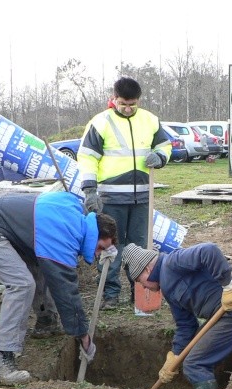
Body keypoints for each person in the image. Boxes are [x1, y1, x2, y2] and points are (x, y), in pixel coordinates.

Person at [0, 191, 118, 385]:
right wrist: (83, 334)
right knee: (21, 284)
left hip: (9, 226)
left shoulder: (76, 217)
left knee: (44, 266)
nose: (98, 254)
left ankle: (46, 321)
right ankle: (2, 361)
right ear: (95, 234)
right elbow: (66, 291)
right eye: (100, 248)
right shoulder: (64, 236)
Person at [78, 76, 172, 310]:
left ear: (138, 101)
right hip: (110, 198)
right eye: (123, 104)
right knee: (110, 246)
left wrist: (160, 157)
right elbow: (87, 157)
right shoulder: (101, 122)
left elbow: (165, 145)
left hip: (141, 197)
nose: (128, 109)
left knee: (139, 246)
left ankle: (139, 290)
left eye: (132, 104)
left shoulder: (149, 120)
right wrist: (90, 190)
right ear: (114, 99)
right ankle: (110, 294)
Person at [121, 242, 232, 389]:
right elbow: (186, 325)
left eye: (140, 281)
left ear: (146, 269)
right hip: (223, 316)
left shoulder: (173, 262)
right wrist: (175, 355)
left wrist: (227, 287)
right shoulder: (167, 288)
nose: (144, 287)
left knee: (194, 363)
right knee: (190, 353)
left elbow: (209, 251)